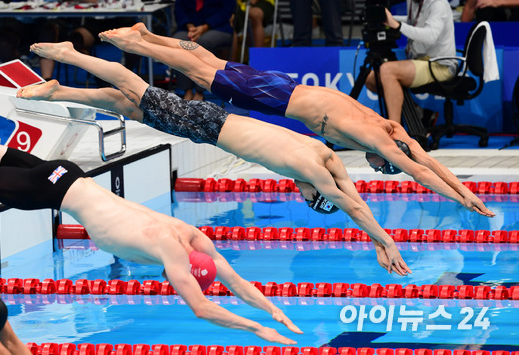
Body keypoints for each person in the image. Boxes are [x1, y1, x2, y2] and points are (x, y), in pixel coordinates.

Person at [25, 41, 412, 278]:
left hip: (216, 122)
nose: (300, 194)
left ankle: (58, 91)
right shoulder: (308, 169)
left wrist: (376, 237)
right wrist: (385, 243)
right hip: (210, 127)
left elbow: (352, 195)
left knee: (131, 107)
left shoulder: (325, 156)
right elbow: (352, 206)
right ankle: (70, 55)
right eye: (307, 198)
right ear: (314, 195)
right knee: (134, 89)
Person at [0, 121, 303, 345]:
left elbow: (235, 280)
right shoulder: (172, 254)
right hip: (50, 191)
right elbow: (202, 308)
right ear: (185, 271)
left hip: (69, 174)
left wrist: (276, 312)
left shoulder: (191, 236)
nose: (168, 278)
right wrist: (256, 329)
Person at [94, 24, 495, 218]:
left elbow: (427, 159)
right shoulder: (383, 143)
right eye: (382, 167)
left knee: (209, 62)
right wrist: (463, 199)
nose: (375, 166)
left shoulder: (393, 128)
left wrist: (465, 190)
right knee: (203, 74)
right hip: (280, 98)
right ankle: (137, 43)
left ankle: (148, 34)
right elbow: (419, 171)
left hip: (289, 86)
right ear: (383, 159)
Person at [364, 1, 456, 125]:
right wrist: (387, 18)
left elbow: (430, 36)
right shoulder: (413, 1)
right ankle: (419, 113)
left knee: (387, 70)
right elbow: (413, 21)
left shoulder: (438, 4)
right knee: (371, 78)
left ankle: (395, 131)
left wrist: (398, 25)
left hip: (440, 65)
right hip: (421, 60)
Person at [172, 0, 235, 101]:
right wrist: (190, 26)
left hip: (218, 27)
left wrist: (205, 27)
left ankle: (200, 91)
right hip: (188, 28)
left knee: (203, 42)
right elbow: (179, 8)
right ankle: (187, 91)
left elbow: (227, 10)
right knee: (179, 42)